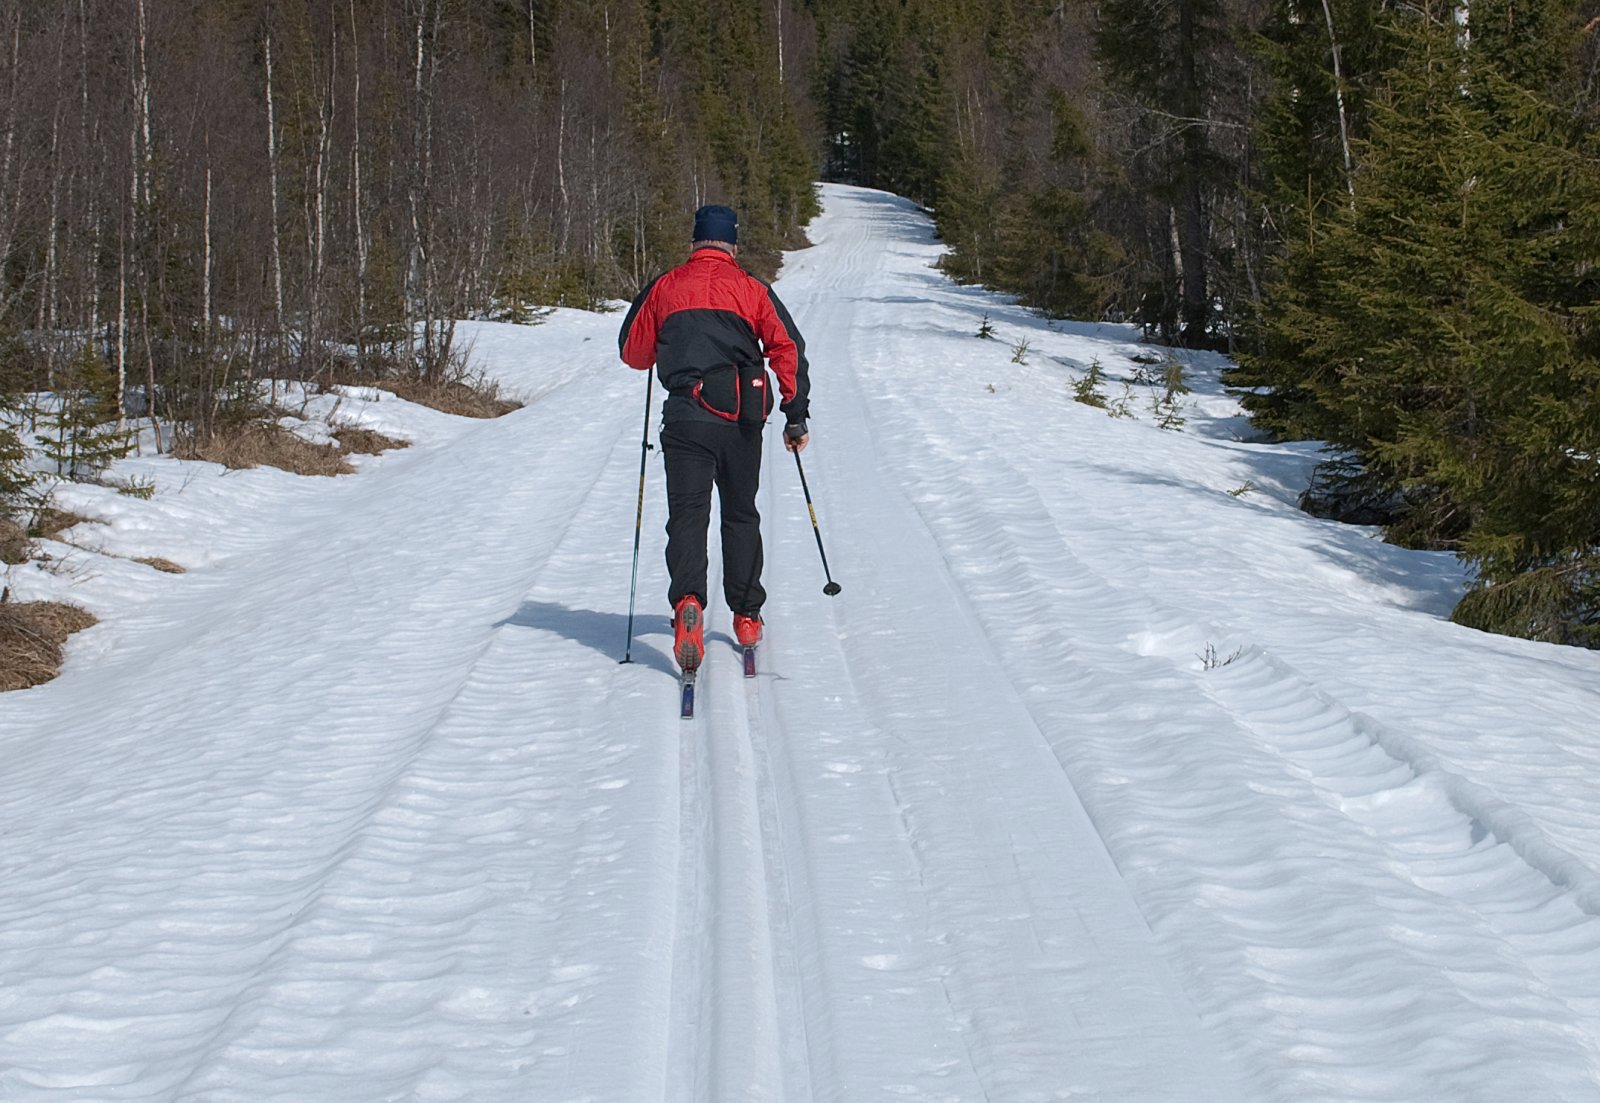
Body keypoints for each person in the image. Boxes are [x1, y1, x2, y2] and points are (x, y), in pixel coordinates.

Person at [617, 204, 810, 674]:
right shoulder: (753, 290)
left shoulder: (665, 286)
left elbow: (633, 353)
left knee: (688, 516)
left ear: (694, 242)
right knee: (741, 515)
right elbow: (788, 347)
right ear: (733, 245)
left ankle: (689, 605)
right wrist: (795, 413)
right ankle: (746, 616)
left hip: (684, 420)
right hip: (740, 422)